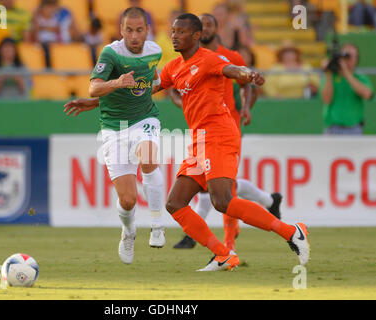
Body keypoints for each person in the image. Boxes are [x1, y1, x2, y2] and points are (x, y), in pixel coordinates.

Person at [154, 14, 309, 271]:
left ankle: (291, 231)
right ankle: (224, 254)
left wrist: (248, 75)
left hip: (219, 134)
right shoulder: (174, 67)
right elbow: (148, 89)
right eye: (173, 31)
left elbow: (233, 70)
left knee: (223, 200)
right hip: (199, 139)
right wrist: (105, 95)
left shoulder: (210, 58)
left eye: (180, 31)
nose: (174, 35)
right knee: (175, 203)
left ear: (195, 36)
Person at [170, 14, 282, 251]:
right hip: (200, 133)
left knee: (223, 192)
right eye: (204, 24)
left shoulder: (227, 57)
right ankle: (268, 200)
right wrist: (186, 102)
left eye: (210, 24)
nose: (207, 27)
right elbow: (172, 86)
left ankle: (227, 245)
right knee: (218, 189)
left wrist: (247, 108)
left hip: (225, 129)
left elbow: (243, 81)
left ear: (205, 31)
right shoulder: (184, 61)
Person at [63, 7, 166, 264]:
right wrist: (115, 85)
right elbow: (95, 86)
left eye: (139, 30)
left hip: (145, 119)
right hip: (114, 128)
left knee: (149, 157)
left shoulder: (155, 52)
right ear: (121, 31)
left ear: (147, 31)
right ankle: (129, 231)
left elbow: (149, 84)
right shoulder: (111, 53)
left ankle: (157, 224)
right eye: (129, 30)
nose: (134, 36)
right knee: (128, 200)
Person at [321, 43, 374, 134]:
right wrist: (328, 73)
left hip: (354, 129)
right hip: (333, 129)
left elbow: (367, 94)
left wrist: (346, 73)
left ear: (357, 59)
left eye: (350, 56)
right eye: (345, 55)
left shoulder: (360, 77)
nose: (348, 60)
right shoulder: (330, 77)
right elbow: (326, 99)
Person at [32, 0, 81, 67]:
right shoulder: (38, 17)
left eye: (51, 7)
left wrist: (43, 27)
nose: (49, 10)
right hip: (44, 43)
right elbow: (36, 31)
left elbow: (57, 29)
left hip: (55, 42)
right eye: (47, 7)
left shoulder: (56, 17)